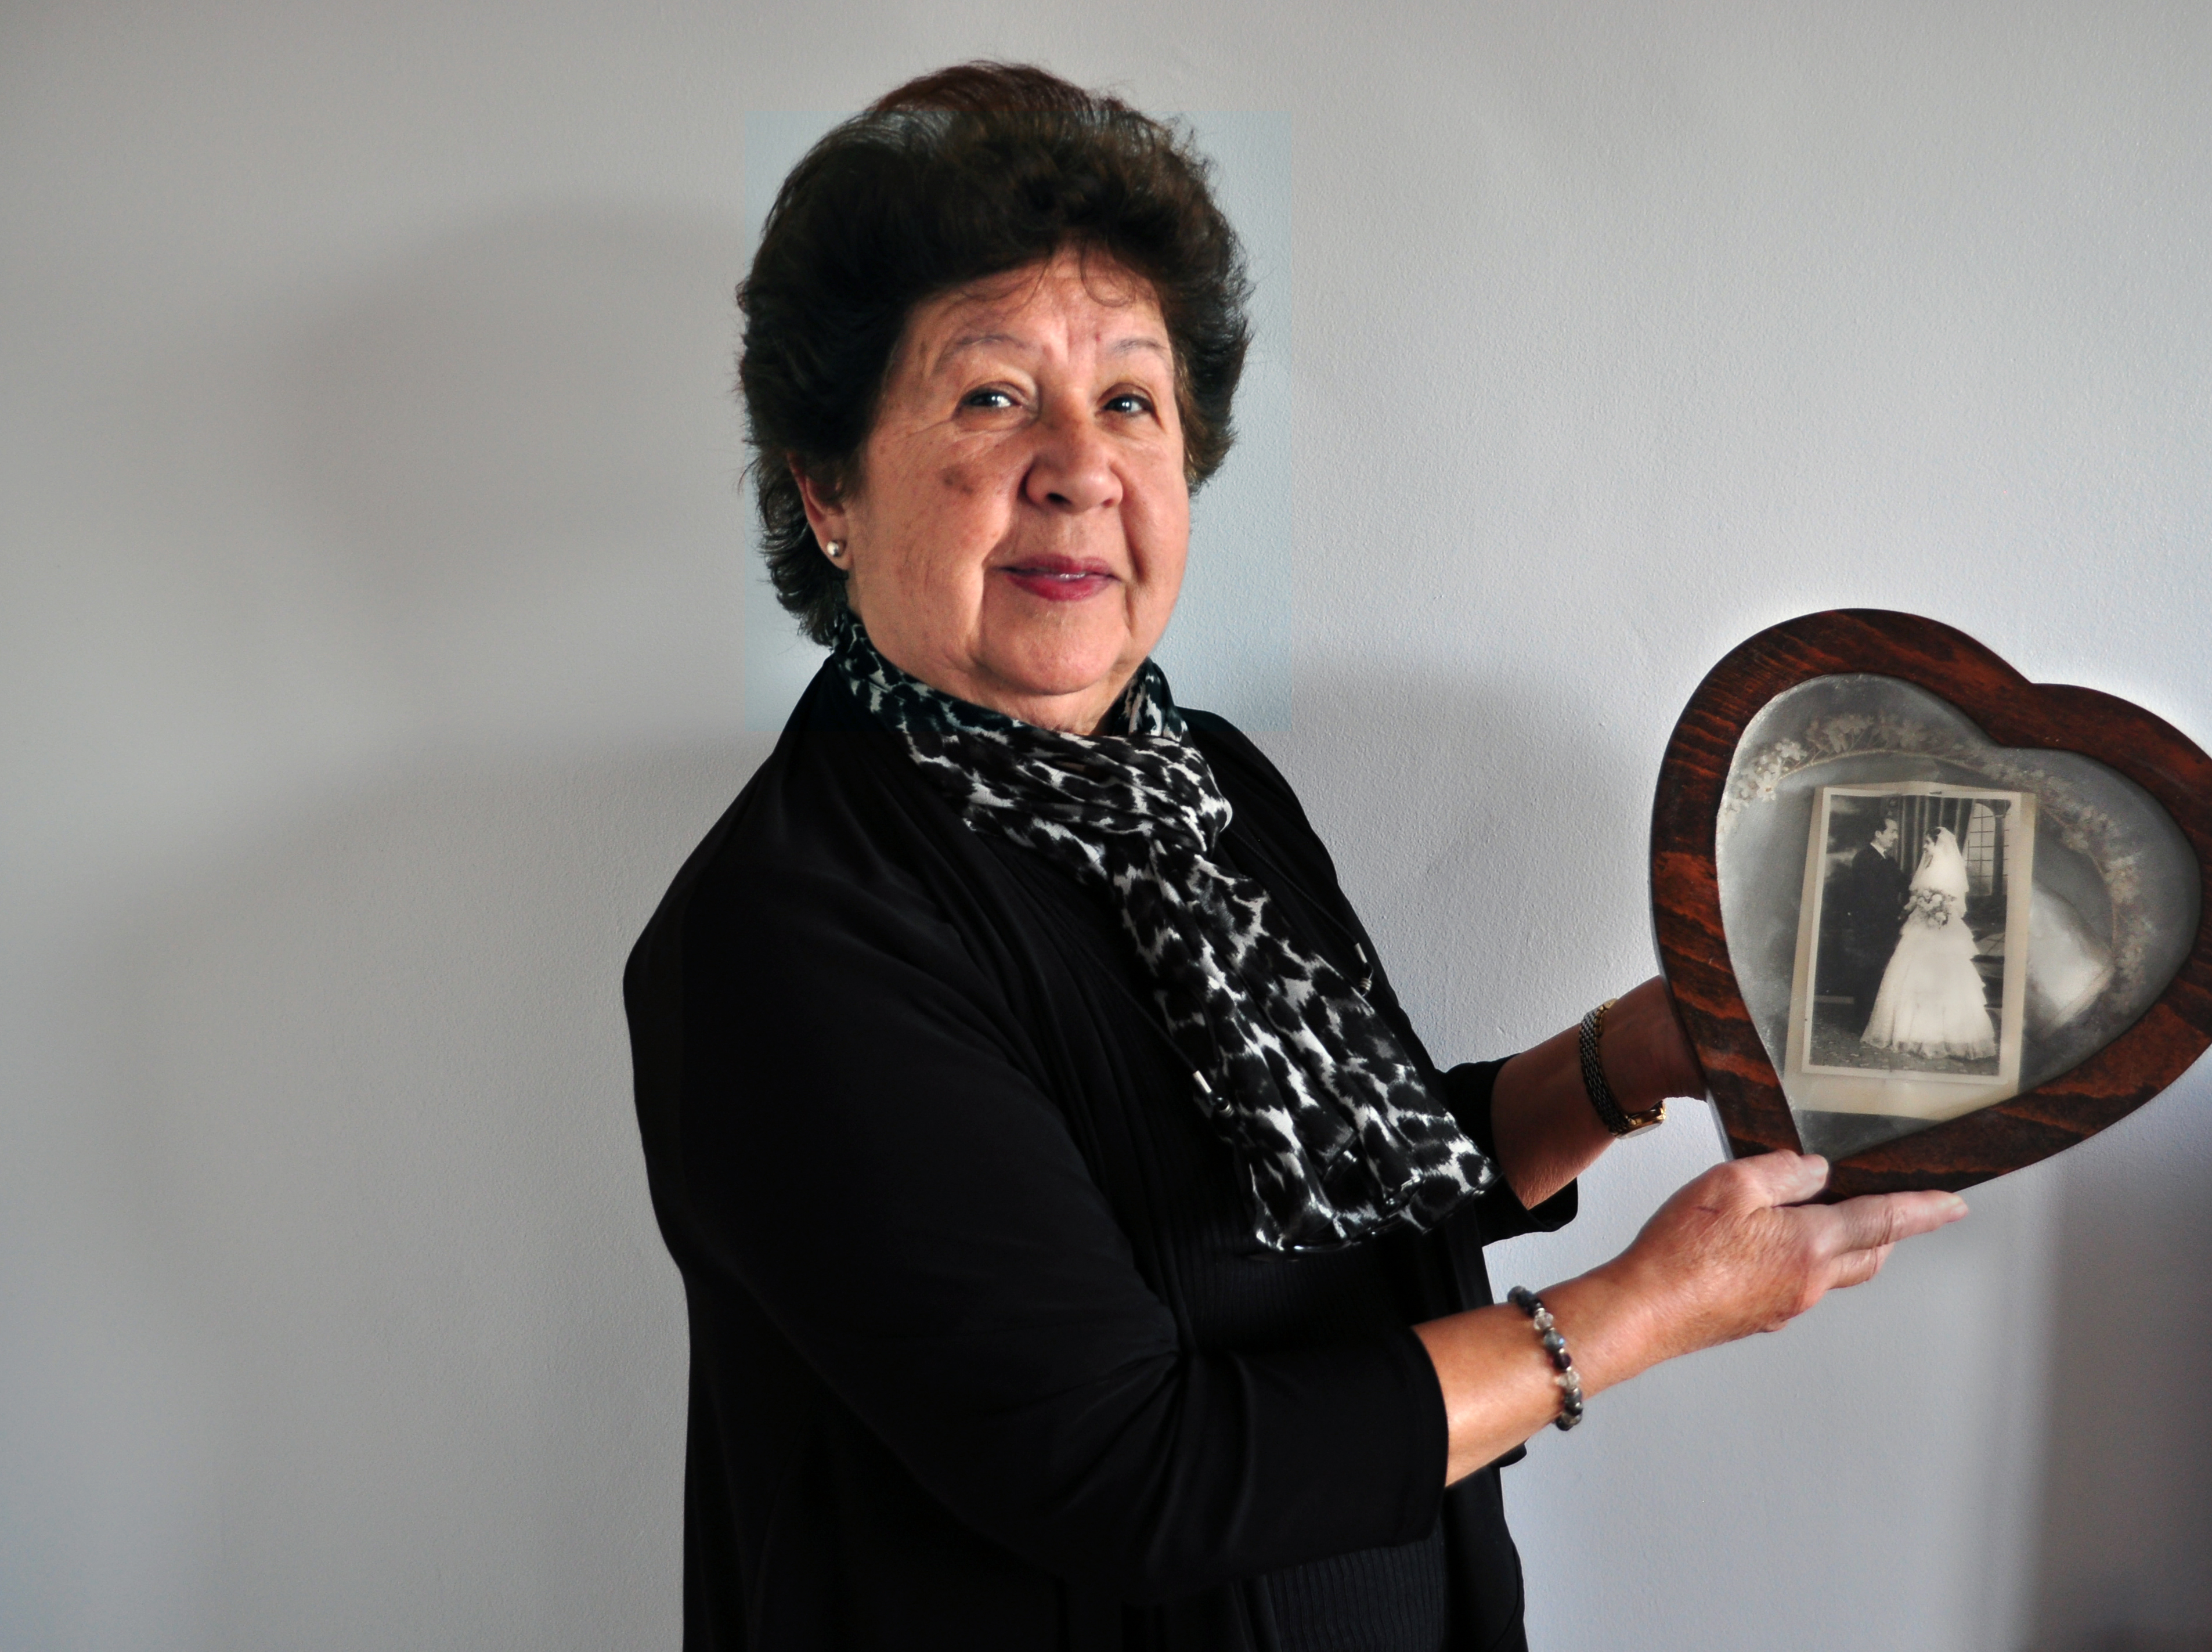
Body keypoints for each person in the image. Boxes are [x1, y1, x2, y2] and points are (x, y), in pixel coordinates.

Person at [623, 62, 1964, 1651]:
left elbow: (1348, 1194)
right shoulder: (789, 931)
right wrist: (1640, 1310)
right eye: (990, 396)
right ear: (826, 486)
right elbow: (1130, 1467)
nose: (1080, 464)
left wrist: (1626, 1057)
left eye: (1130, 399)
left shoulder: (1206, 787)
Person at [1861, 828, 1998, 1062]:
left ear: (1939, 844)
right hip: (1921, 924)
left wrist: (1938, 909)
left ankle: (1941, 1037)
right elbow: (1917, 897)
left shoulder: (1947, 869)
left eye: (1928, 843)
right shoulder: (1927, 866)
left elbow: (1955, 904)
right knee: (1910, 975)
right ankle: (1909, 1034)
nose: (1924, 847)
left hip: (1940, 928)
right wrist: (1910, 908)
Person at [1827, 813, 1910, 1034]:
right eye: (1893, 832)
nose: (1896, 837)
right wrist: (1900, 913)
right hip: (1871, 928)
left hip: (1884, 927)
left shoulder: (1886, 859)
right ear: (1878, 834)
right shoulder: (1865, 859)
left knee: (1878, 974)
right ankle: (1862, 1023)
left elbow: (1904, 884)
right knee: (1869, 974)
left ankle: (1872, 1022)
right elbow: (1873, 899)